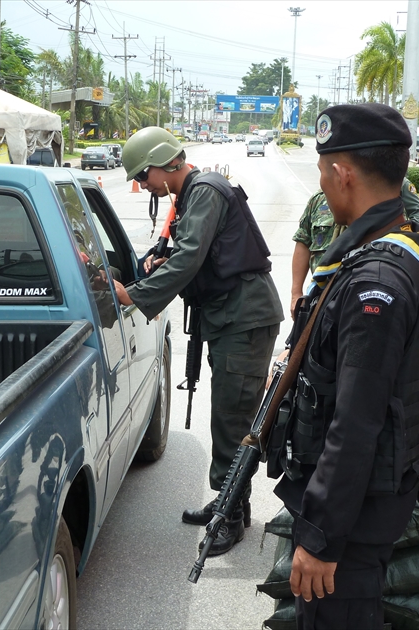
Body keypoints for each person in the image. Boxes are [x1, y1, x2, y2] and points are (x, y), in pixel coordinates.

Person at [272, 103, 419, 630]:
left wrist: (320, 537)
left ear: (342, 173)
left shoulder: (377, 283)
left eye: (323, 172)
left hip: (351, 521)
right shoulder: (382, 251)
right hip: (356, 509)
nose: (322, 186)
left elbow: (357, 423)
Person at [112, 127, 284, 554]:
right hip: (231, 317)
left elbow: (191, 258)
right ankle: (228, 503)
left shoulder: (204, 189)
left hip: (245, 318)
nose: (144, 184)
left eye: (144, 175)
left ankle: (232, 515)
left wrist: (134, 295)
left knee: (233, 420)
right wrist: (161, 259)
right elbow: (196, 252)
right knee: (227, 416)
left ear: (162, 164)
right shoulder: (192, 194)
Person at [290, 179, 419, 317]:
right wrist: (296, 293)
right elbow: (303, 241)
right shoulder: (319, 199)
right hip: (322, 293)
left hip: (364, 294)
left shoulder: (383, 191)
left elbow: (417, 216)